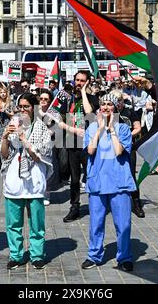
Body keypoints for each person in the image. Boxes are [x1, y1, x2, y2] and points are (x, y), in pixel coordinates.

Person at [81, 93, 136, 271]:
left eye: (109, 105)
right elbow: (90, 150)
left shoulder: (124, 129)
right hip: (97, 182)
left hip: (119, 183)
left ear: (116, 108)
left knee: (123, 224)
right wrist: (99, 129)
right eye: (103, 104)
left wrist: (111, 129)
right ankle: (94, 255)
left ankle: (124, 257)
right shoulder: (91, 129)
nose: (105, 107)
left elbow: (119, 151)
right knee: (96, 223)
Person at [0, 93, 53, 270]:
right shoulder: (12, 124)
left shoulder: (42, 127)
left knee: (37, 223)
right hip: (14, 181)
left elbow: (40, 156)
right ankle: (16, 255)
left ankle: (37, 255)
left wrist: (23, 138)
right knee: (13, 223)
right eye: (20, 107)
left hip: (34, 181)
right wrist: (5, 137)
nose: (22, 110)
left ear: (34, 108)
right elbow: (5, 155)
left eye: (26, 107)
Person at [62, 71, 100, 223]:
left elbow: (89, 112)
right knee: (74, 178)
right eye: (77, 80)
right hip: (72, 143)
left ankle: (96, 205)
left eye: (82, 81)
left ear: (88, 82)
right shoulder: (68, 99)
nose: (78, 83)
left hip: (87, 144)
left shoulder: (92, 98)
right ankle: (74, 207)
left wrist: (84, 91)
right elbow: (59, 118)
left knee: (91, 175)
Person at [110, 89, 144, 218]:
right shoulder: (110, 113)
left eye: (119, 100)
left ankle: (136, 203)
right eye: (115, 100)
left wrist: (126, 136)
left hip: (129, 147)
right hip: (113, 147)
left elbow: (138, 128)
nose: (117, 103)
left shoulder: (130, 112)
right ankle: (116, 203)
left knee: (130, 174)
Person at [0, 84, 16, 169]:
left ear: (7, 93)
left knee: (8, 142)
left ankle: (7, 160)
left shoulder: (10, 103)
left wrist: (6, 112)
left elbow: (13, 114)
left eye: (4, 92)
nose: (3, 94)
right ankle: (0, 158)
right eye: (1, 93)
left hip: (8, 124)